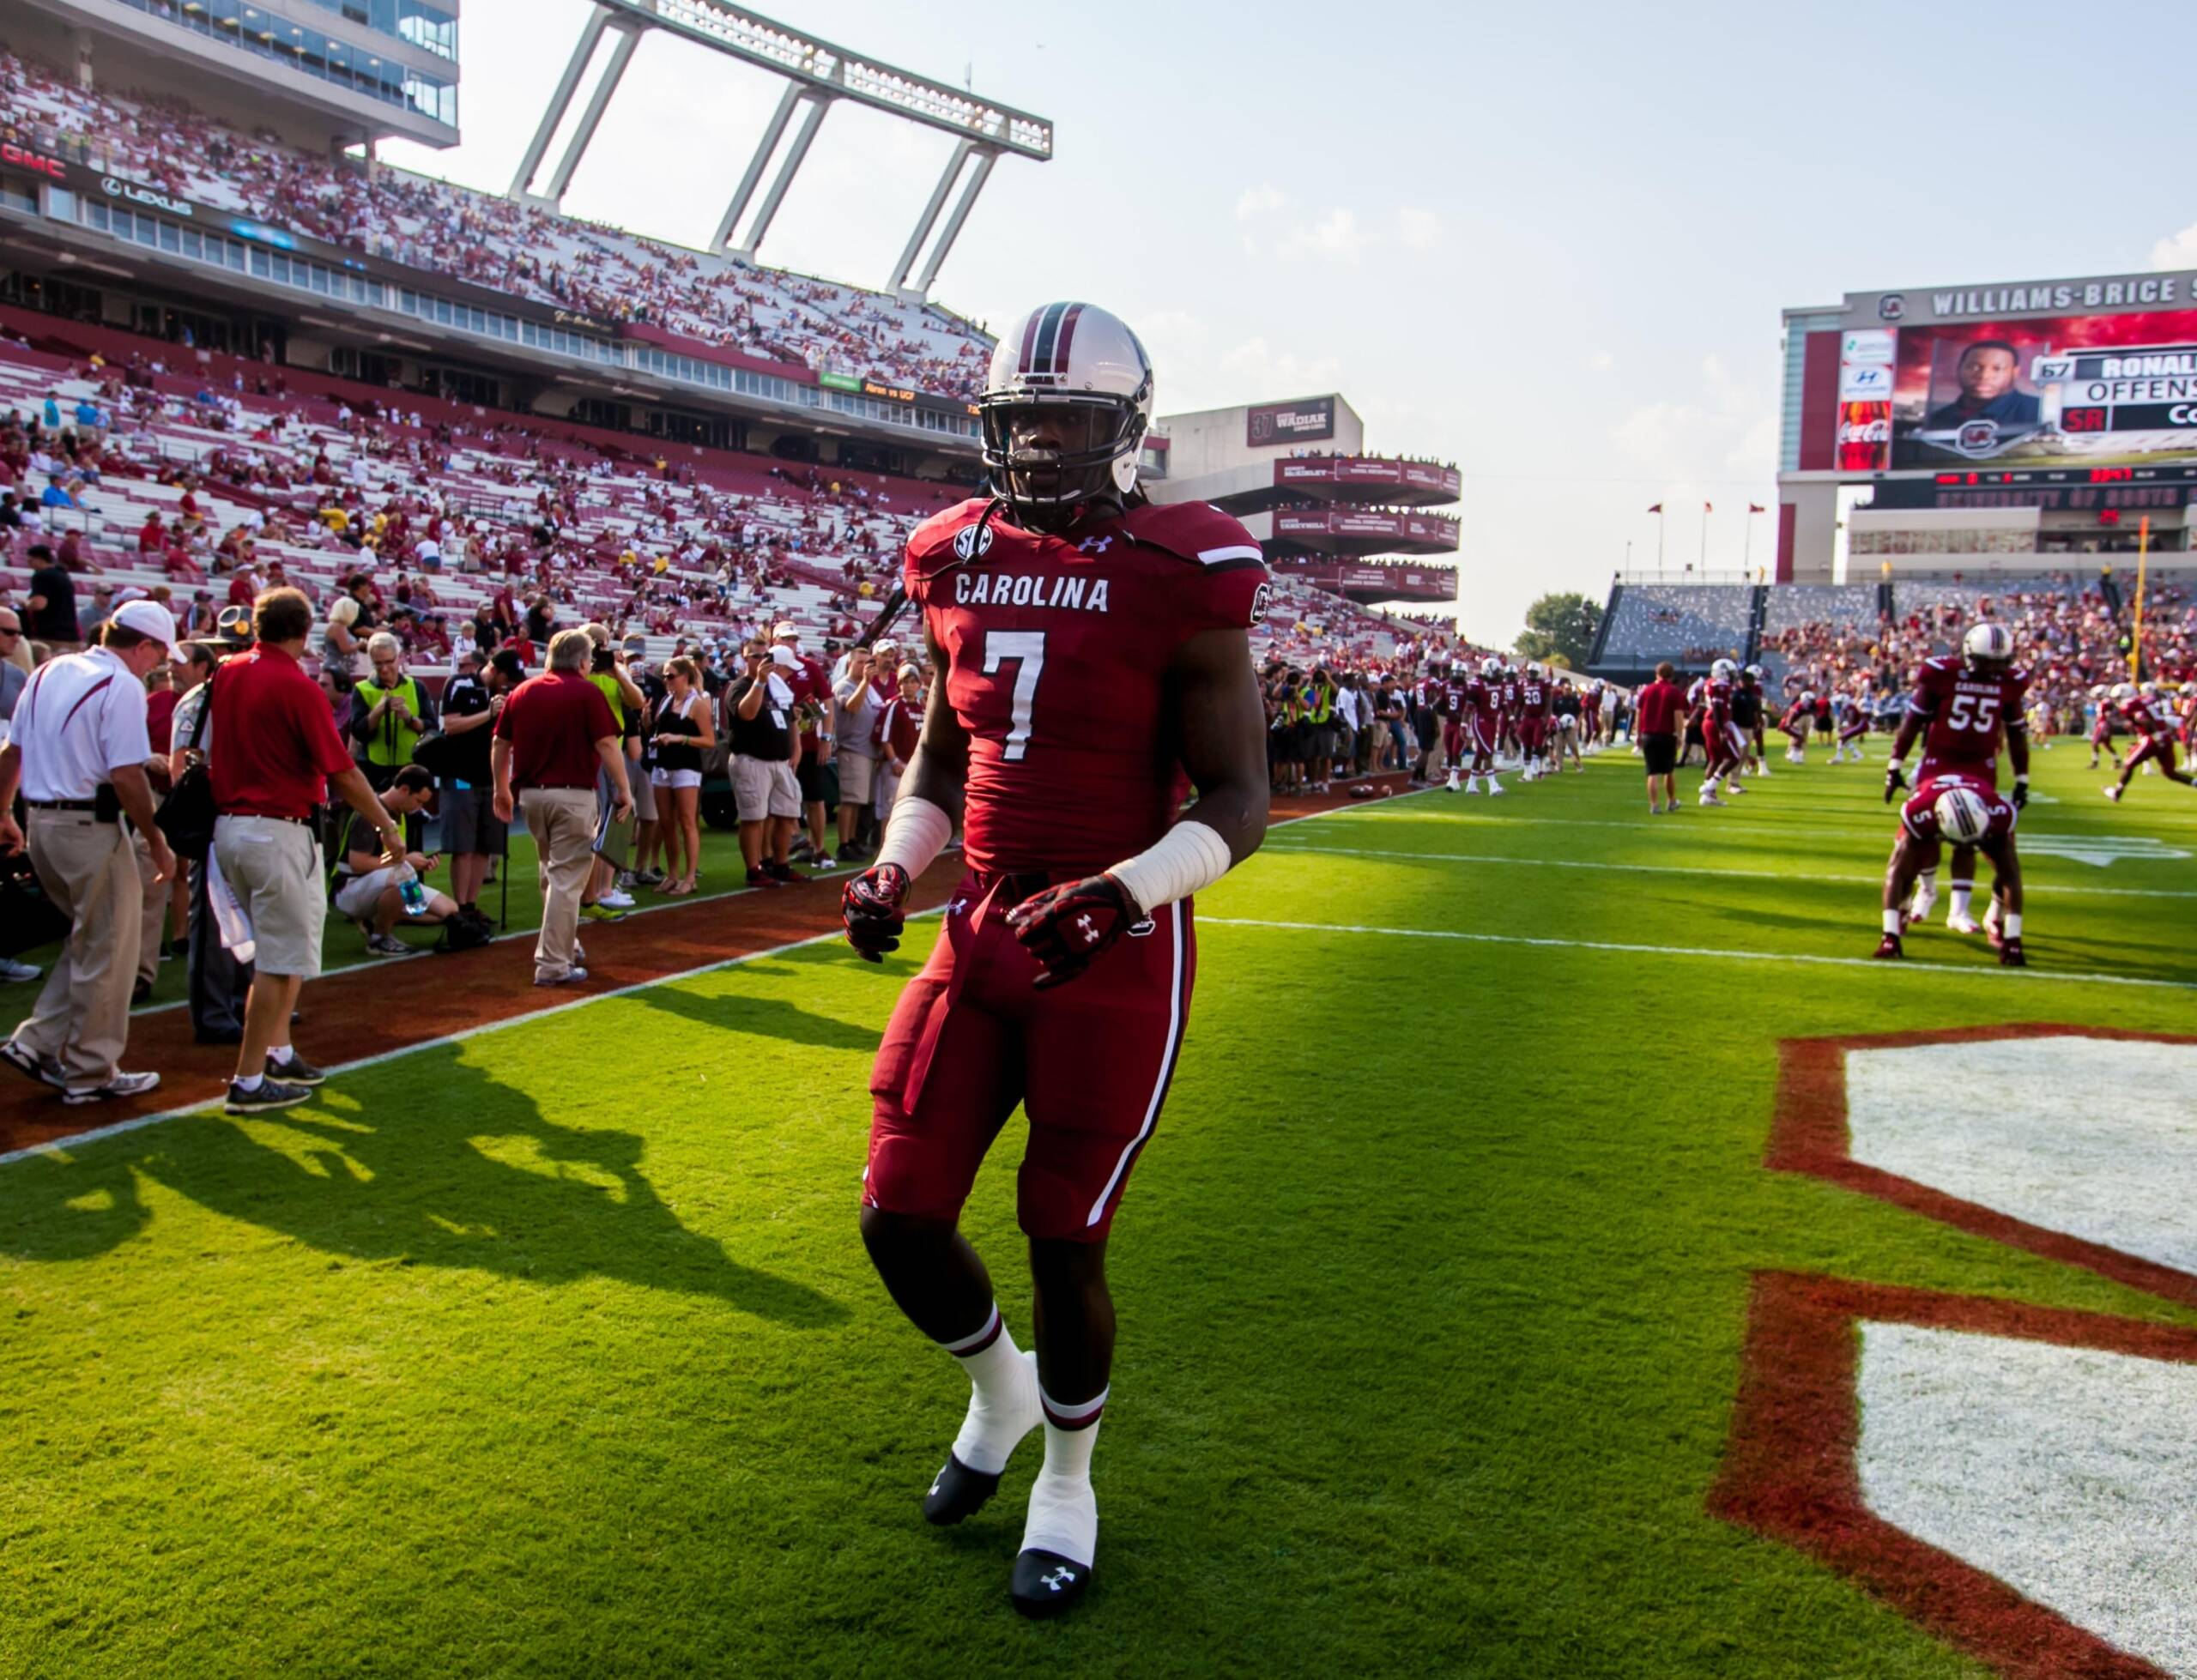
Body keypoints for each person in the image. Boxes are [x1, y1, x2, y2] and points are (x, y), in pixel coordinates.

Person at [838, 301, 1271, 1618]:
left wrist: (1122, 891)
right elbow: (940, 752)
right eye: (1020, 418)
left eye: (1066, 418)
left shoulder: (1181, 564)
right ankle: (1000, 1395)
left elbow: (1241, 796)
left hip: (1112, 951)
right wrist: (891, 866)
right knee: (898, 1211)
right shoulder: (951, 553)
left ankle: (1067, 1480)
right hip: (976, 926)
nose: (1038, 443)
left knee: (1060, 1231)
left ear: (1126, 426)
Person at [210, 588, 407, 1115]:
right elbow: (341, 770)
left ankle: (277, 1051)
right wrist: (386, 823)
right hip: (276, 826)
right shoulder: (296, 686)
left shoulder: (228, 671)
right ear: (301, 632)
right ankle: (249, 1080)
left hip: (234, 824)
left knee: (283, 950)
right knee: (278, 960)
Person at [0, 601, 179, 1102]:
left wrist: (3, 813)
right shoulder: (121, 684)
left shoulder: (49, 669)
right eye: (158, 655)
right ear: (142, 646)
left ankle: (35, 1041)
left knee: (91, 940)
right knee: (111, 950)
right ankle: (91, 1070)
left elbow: (13, 751)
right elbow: (125, 774)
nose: (158, 666)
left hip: (43, 822)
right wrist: (158, 840)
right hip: (88, 825)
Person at [491, 627, 632, 988]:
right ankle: (553, 963)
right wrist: (624, 789)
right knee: (567, 880)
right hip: (572, 794)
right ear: (584, 661)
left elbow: (500, 742)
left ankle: (565, 942)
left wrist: (501, 789)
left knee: (551, 875)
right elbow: (607, 743)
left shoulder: (523, 691)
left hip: (532, 797)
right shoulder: (586, 692)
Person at [1883, 621, 2029, 937]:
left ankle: (1968, 911)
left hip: (1980, 769)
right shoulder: (1941, 675)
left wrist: (2022, 778)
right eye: (1986, 661)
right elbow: (1912, 723)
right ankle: (1911, 900)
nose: (1992, 669)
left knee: (1978, 837)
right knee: (1912, 836)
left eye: (1998, 663)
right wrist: (1894, 765)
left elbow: (2017, 734)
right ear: (1968, 655)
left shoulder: (2010, 683)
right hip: (1937, 765)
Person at [167, 616, 256, 1043]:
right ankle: (214, 1013)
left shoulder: (254, 694)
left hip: (253, 815)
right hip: (214, 815)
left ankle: (248, 1000)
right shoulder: (198, 701)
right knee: (211, 920)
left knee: (250, 913)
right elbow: (182, 762)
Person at [1874, 780, 2025, 967]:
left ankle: (1997, 918)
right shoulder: (1919, 813)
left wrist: (2014, 940)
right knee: (1905, 872)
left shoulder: (2000, 812)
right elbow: (1895, 873)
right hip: (1932, 798)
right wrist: (1889, 936)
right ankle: (1902, 910)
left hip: (1978, 799)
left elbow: (2011, 876)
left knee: (2006, 869)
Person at [331, 764, 458, 953]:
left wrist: (414, 863)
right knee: (402, 878)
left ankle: (386, 916)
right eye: (418, 801)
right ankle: (379, 938)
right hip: (349, 886)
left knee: (450, 912)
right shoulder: (368, 815)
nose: (419, 808)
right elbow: (357, 863)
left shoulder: (400, 813)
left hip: (380, 881)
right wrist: (406, 861)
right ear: (404, 790)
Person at [437, 646, 518, 918]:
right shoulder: (460, 683)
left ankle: (471, 905)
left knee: (486, 845)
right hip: (461, 775)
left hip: (490, 777)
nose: (507, 684)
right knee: (463, 846)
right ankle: (459, 906)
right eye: (506, 678)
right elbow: (451, 725)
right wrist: (488, 713)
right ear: (494, 670)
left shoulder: (504, 694)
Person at [726, 642, 802, 888]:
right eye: (755, 656)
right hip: (752, 759)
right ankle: (753, 869)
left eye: (764, 655)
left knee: (787, 813)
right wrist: (759, 682)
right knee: (753, 817)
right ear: (745, 659)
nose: (760, 660)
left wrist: (796, 747)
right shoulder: (741, 686)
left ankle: (780, 864)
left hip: (780, 761)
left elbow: (790, 720)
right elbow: (746, 713)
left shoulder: (779, 689)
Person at [647, 656, 713, 895]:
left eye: (671, 675)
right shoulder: (666, 701)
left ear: (685, 677)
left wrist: (679, 739)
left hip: (686, 767)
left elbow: (709, 741)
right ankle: (673, 874)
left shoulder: (696, 705)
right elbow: (658, 730)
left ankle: (689, 876)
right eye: (664, 675)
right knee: (666, 823)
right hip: (663, 766)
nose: (666, 680)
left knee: (687, 822)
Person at [350, 632, 437, 790]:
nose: (384, 669)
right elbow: (358, 732)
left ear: (400, 657)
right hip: (375, 770)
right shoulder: (362, 689)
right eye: (378, 663)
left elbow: (432, 728)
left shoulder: (417, 687)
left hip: (411, 769)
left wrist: (410, 719)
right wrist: (378, 711)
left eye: (389, 661)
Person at [1922, 340, 2040, 432]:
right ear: (1959, 369)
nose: (1984, 376)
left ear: (2015, 373)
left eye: (1997, 369)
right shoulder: (1938, 419)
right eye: (1974, 367)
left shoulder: (2039, 412)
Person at [2103, 682, 2194, 802]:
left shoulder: (2129, 704)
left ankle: (2117, 793)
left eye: (2118, 698)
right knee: (2170, 773)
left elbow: (2144, 719)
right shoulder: (2143, 700)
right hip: (2165, 737)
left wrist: (2156, 736)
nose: (2117, 701)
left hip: (2152, 739)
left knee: (2128, 764)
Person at [1632, 661, 1688, 815]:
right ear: (1672, 676)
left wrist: (1638, 734)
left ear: (1657, 674)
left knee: (1652, 772)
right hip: (1667, 735)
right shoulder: (1675, 692)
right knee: (1668, 771)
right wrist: (1679, 735)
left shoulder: (1647, 691)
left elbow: (1638, 713)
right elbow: (1678, 715)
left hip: (1649, 734)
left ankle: (1654, 805)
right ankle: (1671, 801)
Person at [24, 543, 80, 651]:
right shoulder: (64, 576)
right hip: (70, 636)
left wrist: (25, 604)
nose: (28, 564)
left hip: (49, 636)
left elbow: (39, 604)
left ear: (39, 559)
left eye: (30, 560)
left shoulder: (42, 576)